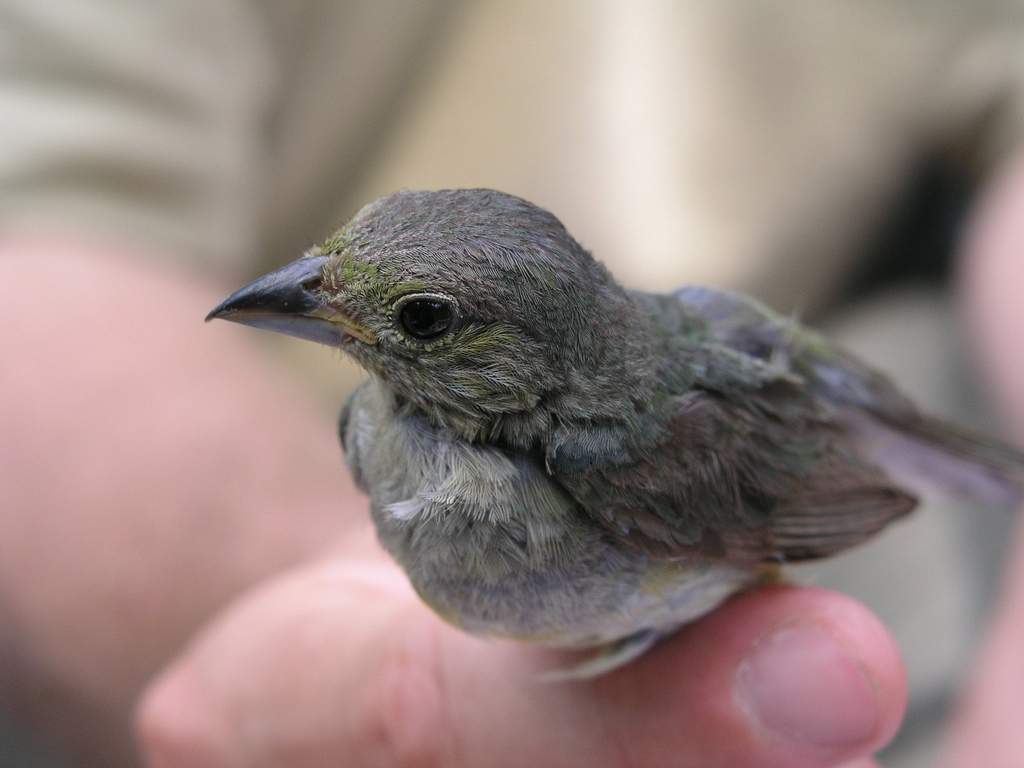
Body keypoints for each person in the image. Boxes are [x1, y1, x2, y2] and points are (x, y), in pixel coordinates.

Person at [1, 2, 1022, 766]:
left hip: (816, 381)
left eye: (421, 321)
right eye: (328, 276)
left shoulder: (637, 452)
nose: (307, 301)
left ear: (528, 363)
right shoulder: (377, 416)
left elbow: (818, 497)